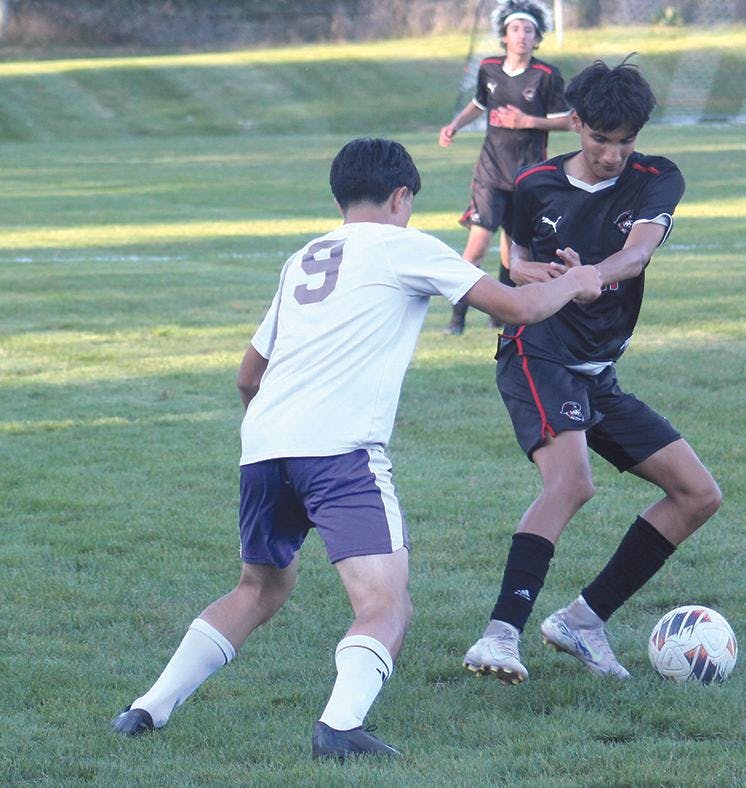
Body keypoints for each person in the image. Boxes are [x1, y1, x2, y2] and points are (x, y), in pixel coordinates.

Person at [109, 138, 602, 759]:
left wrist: (279, 436)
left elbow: (248, 376)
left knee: (257, 589)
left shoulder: (304, 258)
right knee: (385, 604)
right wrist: (577, 280)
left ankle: (146, 709)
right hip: (340, 451)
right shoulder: (405, 246)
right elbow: (521, 310)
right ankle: (339, 728)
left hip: (264, 446)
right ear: (401, 197)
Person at [461, 58, 722, 685]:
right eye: (601, 139)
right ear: (576, 123)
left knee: (697, 494)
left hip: (597, 370)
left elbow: (637, 254)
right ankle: (499, 635)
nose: (612, 155)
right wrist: (539, 274)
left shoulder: (658, 178)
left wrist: (588, 275)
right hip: (537, 351)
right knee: (571, 483)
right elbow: (515, 262)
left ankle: (583, 620)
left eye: (625, 141)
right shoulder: (534, 184)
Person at [438, 0, 572, 336]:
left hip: (528, 177)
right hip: (490, 172)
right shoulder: (489, 68)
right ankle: (457, 321)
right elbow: (479, 103)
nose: (522, 35)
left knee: (514, 250)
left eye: (529, 30)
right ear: (504, 35)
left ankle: (501, 316)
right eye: (515, 29)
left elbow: (567, 121)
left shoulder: (546, 75)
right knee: (477, 246)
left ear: (537, 37)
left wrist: (527, 121)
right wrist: (455, 125)